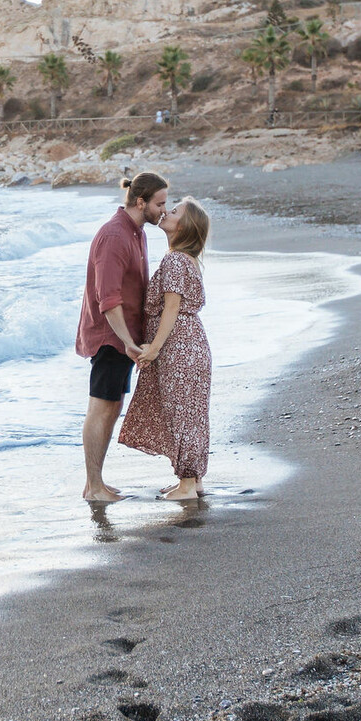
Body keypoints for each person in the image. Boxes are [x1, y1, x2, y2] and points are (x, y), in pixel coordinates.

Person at [76, 172, 170, 501]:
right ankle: (93, 486)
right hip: (110, 337)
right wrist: (128, 342)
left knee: (112, 406)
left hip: (125, 337)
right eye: (159, 204)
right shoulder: (114, 235)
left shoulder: (138, 232)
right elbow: (108, 299)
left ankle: (96, 482)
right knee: (101, 408)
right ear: (140, 202)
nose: (164, 210)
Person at [118, 197, 213, 500]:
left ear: (183, 225)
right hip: (193, 345)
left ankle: (187, 484)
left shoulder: (174, 261)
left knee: (181, 414)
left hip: (180, 348)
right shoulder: (186, 259)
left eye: (174, 212)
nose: (166, 213)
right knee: (191, 413)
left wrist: (155, 349)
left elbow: (171, 309)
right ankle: (192, 478)